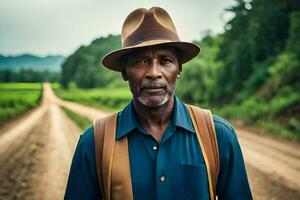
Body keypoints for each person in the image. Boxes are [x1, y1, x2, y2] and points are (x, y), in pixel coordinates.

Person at [64, 7, 252, 200]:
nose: (154, 73)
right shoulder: (94, 143)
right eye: (140, 61)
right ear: (124, 71)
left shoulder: (217, 135)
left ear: (179, 68)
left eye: (165, 60)